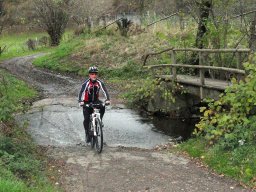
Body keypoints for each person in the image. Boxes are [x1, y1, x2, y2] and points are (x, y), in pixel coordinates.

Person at [78, 66, 110, 143]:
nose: (94, 75)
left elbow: (105, 91)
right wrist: (80, 101)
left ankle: (99, 120)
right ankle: (87, 134)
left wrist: (107, 99)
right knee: (86, 119)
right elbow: (81, 92)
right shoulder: (86, 83)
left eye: (95, 74)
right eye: (92, 74)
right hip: (86, 102)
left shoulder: (99, 82)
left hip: (96, 100)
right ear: (89, 75)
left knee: (102, 106)